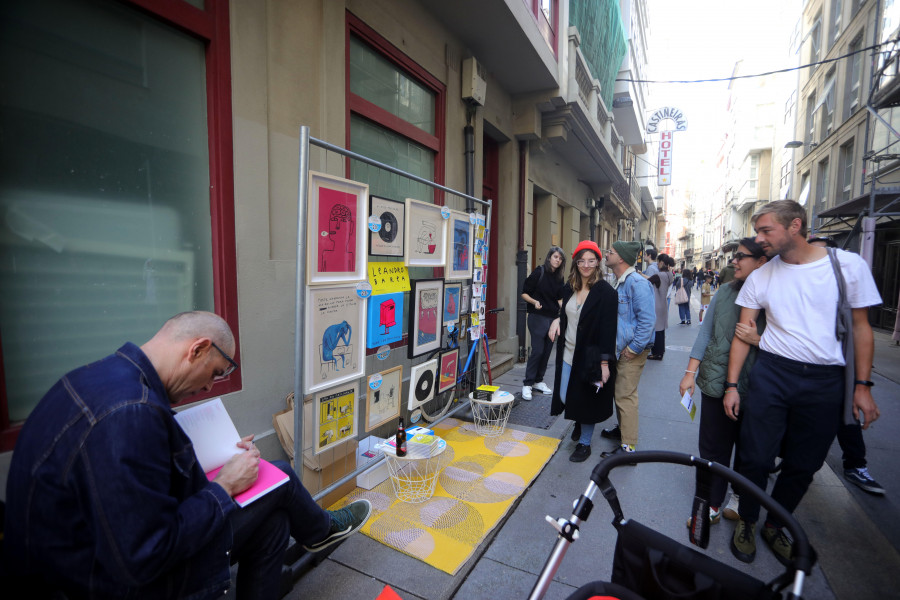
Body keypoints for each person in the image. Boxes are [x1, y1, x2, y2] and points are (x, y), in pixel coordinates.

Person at [4, 311, 372, 599]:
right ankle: (322, 530)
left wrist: (219, 456)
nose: (209, 387)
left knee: (274, 517)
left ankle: (319, 530)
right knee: (278, 477)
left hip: (79, 554)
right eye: (213, 373)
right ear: (196, 349)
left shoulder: (98, 377)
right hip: (100, 581)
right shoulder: (131, 412)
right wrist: (224, 485)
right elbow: (145, 555)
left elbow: (128, 479)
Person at [725, 201, 882, 566]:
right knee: (756, 456)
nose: (760, 238)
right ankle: (747, 519)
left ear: (795, 225)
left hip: (826, 381)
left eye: (766, 231)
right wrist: (732, 385)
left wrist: (862, 385)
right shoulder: (762, 276)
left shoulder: (846, 266)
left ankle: (776, 525)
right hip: (772, 373)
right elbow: (742, 334)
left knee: (804, 462)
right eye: (758, 231)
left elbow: (862, 328)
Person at [680, 238, 769, 530]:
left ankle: (740, 500)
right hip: (717, 383)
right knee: (711, 450)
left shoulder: (778, 296)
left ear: (761, 262)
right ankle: (710, 504)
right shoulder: (725, 292)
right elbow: (705, 334)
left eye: (740, 257)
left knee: (750, 453)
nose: (733, 261)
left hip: (758, 387)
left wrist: (760, 341)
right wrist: (690, 373)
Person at [807, 235, 884, 495]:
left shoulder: (844, 287)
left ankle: (855, 465)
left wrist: (862, 384)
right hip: (801, 371)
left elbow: (861, 330)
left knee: (847, 417)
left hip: (839, 369)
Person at [548, 241, 618, 463]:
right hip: (568, 352)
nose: (586, 265)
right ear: (576, 263)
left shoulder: (606, 293)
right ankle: (578, 420)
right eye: (581, 261)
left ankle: (585, 444)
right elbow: (568, 313)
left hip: (591, 356)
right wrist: (556, 320)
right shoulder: (569, 286)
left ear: (598, 262)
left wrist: (604, 364)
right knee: (564, 395)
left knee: (587, 401)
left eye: (591, 260)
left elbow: (609, 331)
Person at [598, 240, 655, 459]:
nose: (606, 254)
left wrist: (634, 348)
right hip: (622, 348)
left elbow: (647, 320)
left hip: (631, 351)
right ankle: (623, 432)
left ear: (620, 258)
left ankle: (628, 448)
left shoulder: (637, 283)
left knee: (625, 395)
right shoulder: (621, 281)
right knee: (620, 392)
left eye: (610, 252)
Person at [521, 246, 567, 401]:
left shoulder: (559, 277)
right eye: (555, 257)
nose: (557, 260)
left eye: (560, 258)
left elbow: (559, 299)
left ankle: (538, 381)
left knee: (547, 351)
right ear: (549, 257)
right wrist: (534, 302)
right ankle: (527, 384)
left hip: (552, 319)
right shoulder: (539, 272)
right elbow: (524, 293)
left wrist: (565, 311)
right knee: (538, 351)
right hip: (537, 317)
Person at [647, 254, 675, 360]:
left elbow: (648, 281)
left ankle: (656, 353)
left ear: (662, 263)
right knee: (661, 330)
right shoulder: (669, 274)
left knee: (657, 330)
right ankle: (661, 351)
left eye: (658, 262)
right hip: (663, 303)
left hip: (656, 304)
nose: (657, 264)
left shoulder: (659, 275)